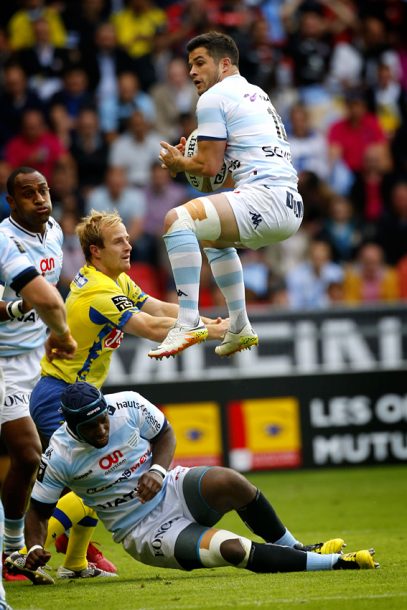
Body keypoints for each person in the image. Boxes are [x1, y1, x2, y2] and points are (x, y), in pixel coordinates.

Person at [6, 381, 378, 584]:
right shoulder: (60, 454)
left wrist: (157, 471)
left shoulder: (127, 405)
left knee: (231, 482)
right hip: (142, 529)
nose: (102, 429)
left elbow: (165, 434)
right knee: (235, 550)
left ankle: (296, 548)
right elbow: (37, 511)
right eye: (91, 427)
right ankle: (334, 564)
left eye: (103, 419)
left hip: (170, 487)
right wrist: (33, 548)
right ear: (72, 426)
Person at [27, 209, 227, 579]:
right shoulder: (98, 292)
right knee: (97, 477)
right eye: (118, 240)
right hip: (60, 397)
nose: (129, 244)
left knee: (97, 477)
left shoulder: (115, 280)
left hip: (76, 392)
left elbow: (160, 308)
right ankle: (23, 552)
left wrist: (208, 320)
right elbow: (151, 327)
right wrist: (214, 333)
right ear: (94, 251)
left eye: (127, 237)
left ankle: (73, 562)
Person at [149, 31, 303, 359]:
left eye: (200, 63)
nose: (192, 72)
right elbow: (225, 172)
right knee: (211, 237)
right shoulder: (256, 94)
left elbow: (207, 166)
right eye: (190, 65)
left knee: (177, 220)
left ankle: (188, 321)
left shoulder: (213, 98)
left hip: (265, 198)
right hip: (288, 203)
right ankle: (239, 325)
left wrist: (180, 163)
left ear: (224, 63)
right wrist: (193, 163)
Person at [0, 167, 76, 581]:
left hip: (39, 361)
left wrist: (52, 331)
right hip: (4, 364)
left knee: (68, 452)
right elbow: (41, 296)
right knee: (28, 455)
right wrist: (15, 309)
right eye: (27, 194)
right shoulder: (3, 240)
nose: (39, 199)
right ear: (12, 203)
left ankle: (77, 552)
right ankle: (13, 548)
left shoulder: (55, 233)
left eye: (43, 190)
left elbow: (51, 294)